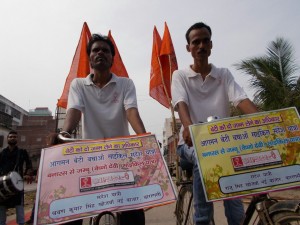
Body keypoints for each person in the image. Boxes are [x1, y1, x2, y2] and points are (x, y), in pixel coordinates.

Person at [171, 22, 258, 225]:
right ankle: (202, 219)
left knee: (236, 204)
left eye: (205, 41)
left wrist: (266, 122)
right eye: (196, 42)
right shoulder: (180, 76)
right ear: (188, 48)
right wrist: (188, 127)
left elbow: (241, 100)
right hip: (190, 144)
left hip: (224, 144)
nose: (201, 45)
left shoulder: (223, 74)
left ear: (211, 45)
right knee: (204, 158)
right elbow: (180, 103)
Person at [59, 34, 146, 225]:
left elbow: (131, 111)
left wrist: (144, 136)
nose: (100, 53)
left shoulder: (125, 83)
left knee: (133, 211)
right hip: (90, 157)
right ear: (89, 57)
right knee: (71, 211)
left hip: (121, 156)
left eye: (105, 50)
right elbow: (73, 111)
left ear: (112, 58)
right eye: (95, 50)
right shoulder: (78, 85)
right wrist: (64, 134)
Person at [0, 131, 32, 225]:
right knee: (1, 205)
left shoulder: (22, 152)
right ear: (7, 139)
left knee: (19, 206)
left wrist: (28, 173)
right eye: (10, 137)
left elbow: (29, 164)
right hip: (4, 184)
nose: (12, 138)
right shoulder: (2, 153)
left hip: (17, 183)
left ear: (17, 139)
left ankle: (21, 223)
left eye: (14, 137)